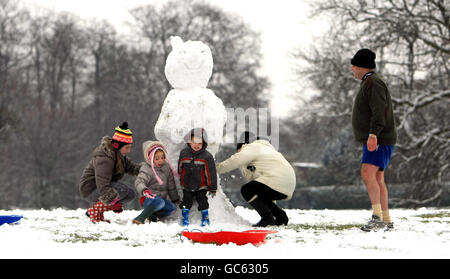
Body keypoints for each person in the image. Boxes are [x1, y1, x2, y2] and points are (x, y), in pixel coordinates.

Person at [350, 49, 397, 232]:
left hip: (378, 139)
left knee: (367, 174)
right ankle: (386, 220)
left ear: (360, 66)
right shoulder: (369, 82)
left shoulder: (373, 83)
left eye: (354, 66)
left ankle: (377, 218)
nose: (352, 69)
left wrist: (373, 134)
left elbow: (380, 110)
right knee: (377, 178)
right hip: (379, 138)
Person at [216, 132, 296, 227]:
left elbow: (235, 160)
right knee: (258, 193)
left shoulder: (253, 147)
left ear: (243, 145)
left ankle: (267, 218)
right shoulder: (267, 149)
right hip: (287, 184)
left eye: (239, 151)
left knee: (247, 190)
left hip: (276, 181)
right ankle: (281, 217)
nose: (238, 153)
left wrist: (216, 168)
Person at [79, 122, 141, 223]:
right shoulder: (104, 158)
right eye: (127, 148)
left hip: (102, 187)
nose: (129, 151)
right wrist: (113, 201)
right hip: (91, 189)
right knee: (122, 190)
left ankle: (99, 213)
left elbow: (132, 167)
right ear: (117, 145)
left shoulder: (120, 156)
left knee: (130, 194)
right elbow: (102, 182)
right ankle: (94, 212)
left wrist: (146, 169)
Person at [132, 141, 180, 224]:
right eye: (157, 158)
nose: (160, 160)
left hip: (161, 199)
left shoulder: (167, 168)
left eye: (162, 157)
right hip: (148, 198)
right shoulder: (147, 169)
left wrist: (175, 199)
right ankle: (140, 218)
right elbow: (139, 181)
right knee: (159, 202)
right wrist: (144, 190)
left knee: (172, 209)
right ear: (150, 158)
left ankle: (153, 216)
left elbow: (171, 185)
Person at [178, 128, 217, 226]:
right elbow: (180, 167)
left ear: (203, 143)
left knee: (203, 200)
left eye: (200, 143)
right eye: (194, 142)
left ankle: (205, 217)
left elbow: (210, 173)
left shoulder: (207, 156)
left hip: (201, 185)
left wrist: (212, 187)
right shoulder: (184, 153)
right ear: (189, 141)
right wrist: (181, 177)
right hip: (187, 184)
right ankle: (184, 217)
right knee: (186, 201)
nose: (196, 145)